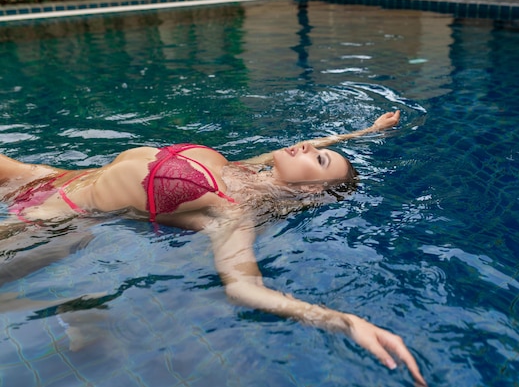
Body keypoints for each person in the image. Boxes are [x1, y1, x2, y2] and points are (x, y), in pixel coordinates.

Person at [0, 110, 427, 386]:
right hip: (48, 177)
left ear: (311, 189)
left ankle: (82, 319)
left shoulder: (233, 213)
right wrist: (367, 132)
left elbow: (244, 288)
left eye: (317, 160)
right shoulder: (246, 170)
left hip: (55, 220)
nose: (310, 148)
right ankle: (82, 320)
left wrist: (344, 321)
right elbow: (317, 146)